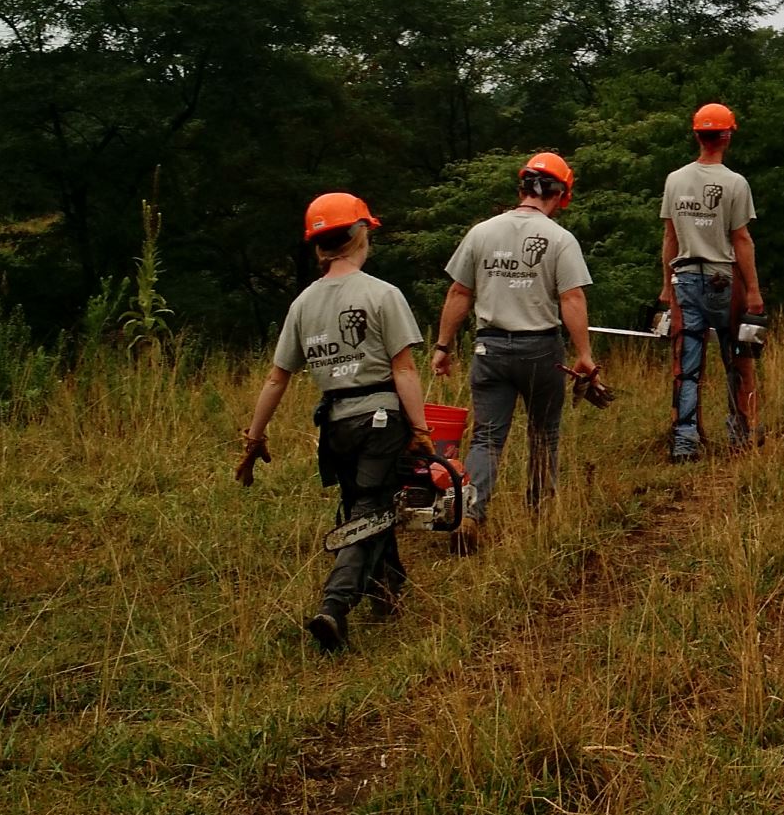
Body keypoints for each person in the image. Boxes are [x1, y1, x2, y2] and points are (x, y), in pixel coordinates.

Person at [235, 191, 431, 653]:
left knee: (368, 504)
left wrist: (254, 437)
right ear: (361, 234)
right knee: (369, 512)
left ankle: (387, 594)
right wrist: (421, 430)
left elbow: (276, 378)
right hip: (381, 419)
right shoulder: (383, 294)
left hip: (336, 427)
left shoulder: (303, 304)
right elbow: (403, 369)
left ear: (319, 246)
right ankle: (334, 606)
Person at [431, 151, 600, 555]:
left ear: (521, 188)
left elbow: (459, 292)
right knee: (544, 434)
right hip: (541, 350)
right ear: (561, 195)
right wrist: (585, 355)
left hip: (489, 348)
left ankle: (470, 514)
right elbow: (571, 297)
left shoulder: (481, 233)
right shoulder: (560, 239)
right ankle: (541, 516)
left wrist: (442, 346)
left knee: (487, 438)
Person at [657, 102, 763, 459]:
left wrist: (665, 285)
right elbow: (742, 240)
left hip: (684, 277)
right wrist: (753, 291)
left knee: (687, 365)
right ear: (727, 136)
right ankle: (740, 435)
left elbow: (669, 238)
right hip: (723, 278)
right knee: (737, 355)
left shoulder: (674, 179)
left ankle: (684, 440)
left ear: (697, 135)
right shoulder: (735, 183)